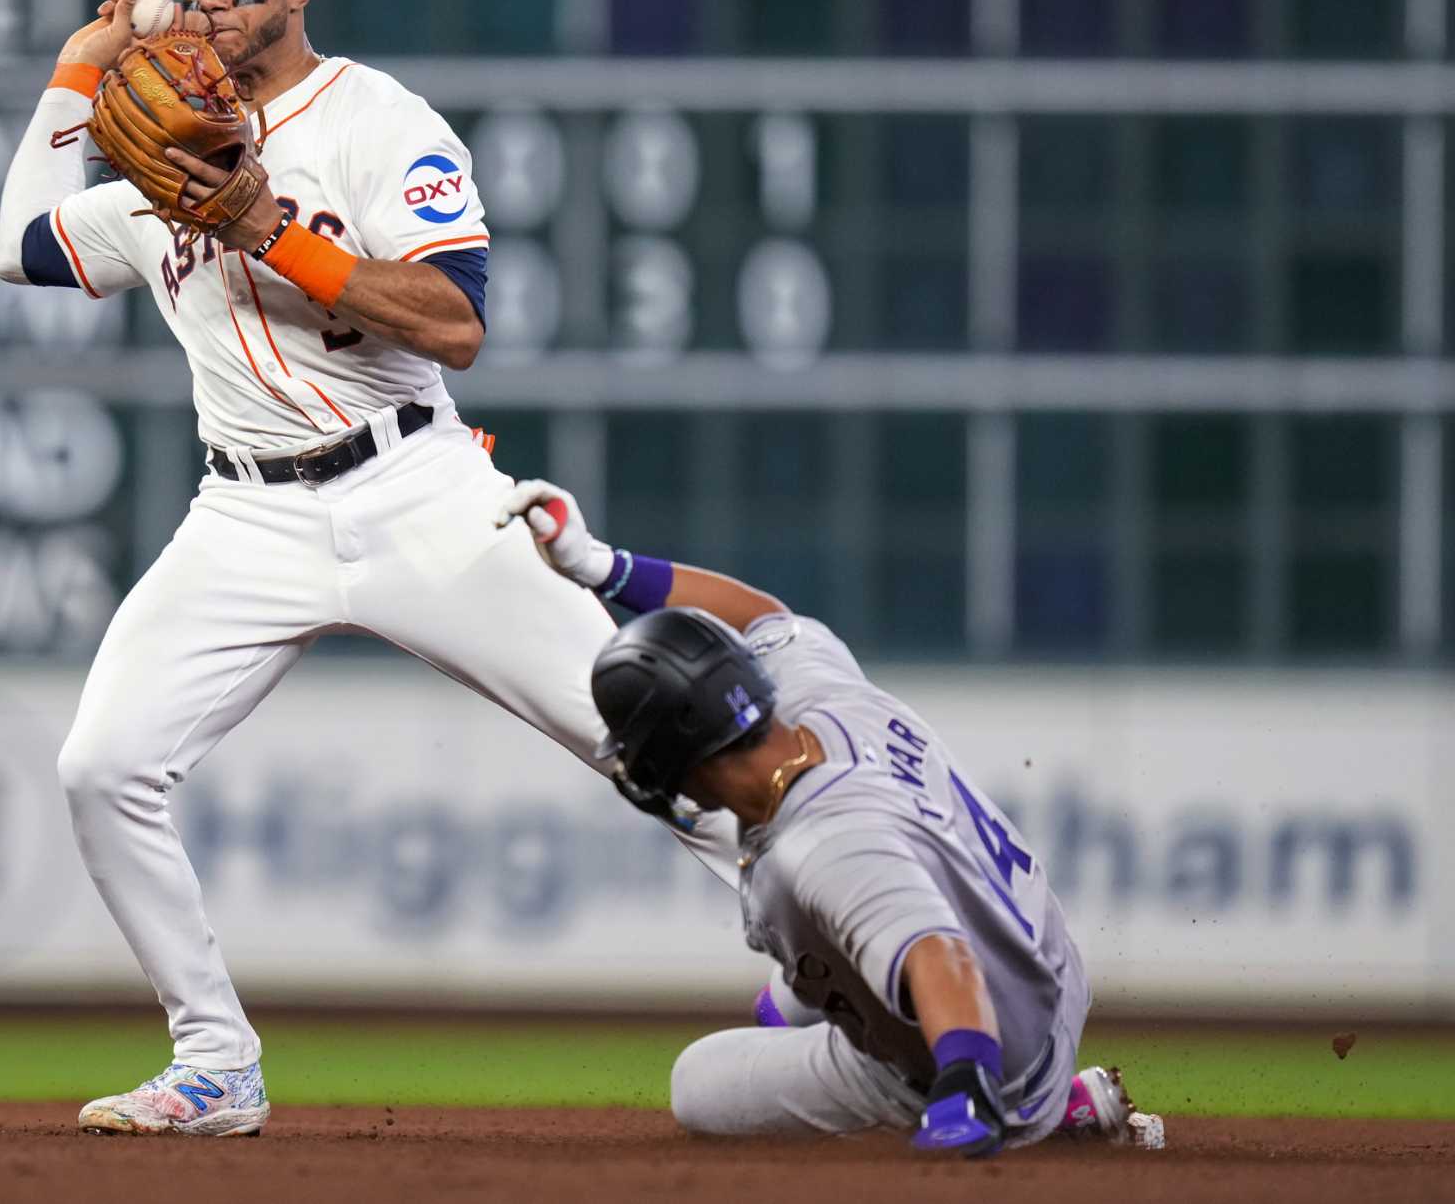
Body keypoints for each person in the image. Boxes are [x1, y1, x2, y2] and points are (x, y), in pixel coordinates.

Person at [0, 0, 738, 1136]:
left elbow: (455, 325)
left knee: (651, 749)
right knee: (102, 766)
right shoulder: (148, 157)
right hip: (242, 518)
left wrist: (274, 233)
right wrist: (75, 75)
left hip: (415, 490)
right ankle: (215, 1061)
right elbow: (20, 244)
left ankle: (880, 991)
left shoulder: (379, 120)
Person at [495, 479, 1166, 1156]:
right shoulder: (814, 691)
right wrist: (600, 565)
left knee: (698, 1082)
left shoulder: (822, 843)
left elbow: (938, 952)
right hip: (1039, 953)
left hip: (1001, 1042)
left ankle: (1053, 1112)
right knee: (781, 1003)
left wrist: (967, 1080)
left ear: (681, 756)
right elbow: (760, 614)